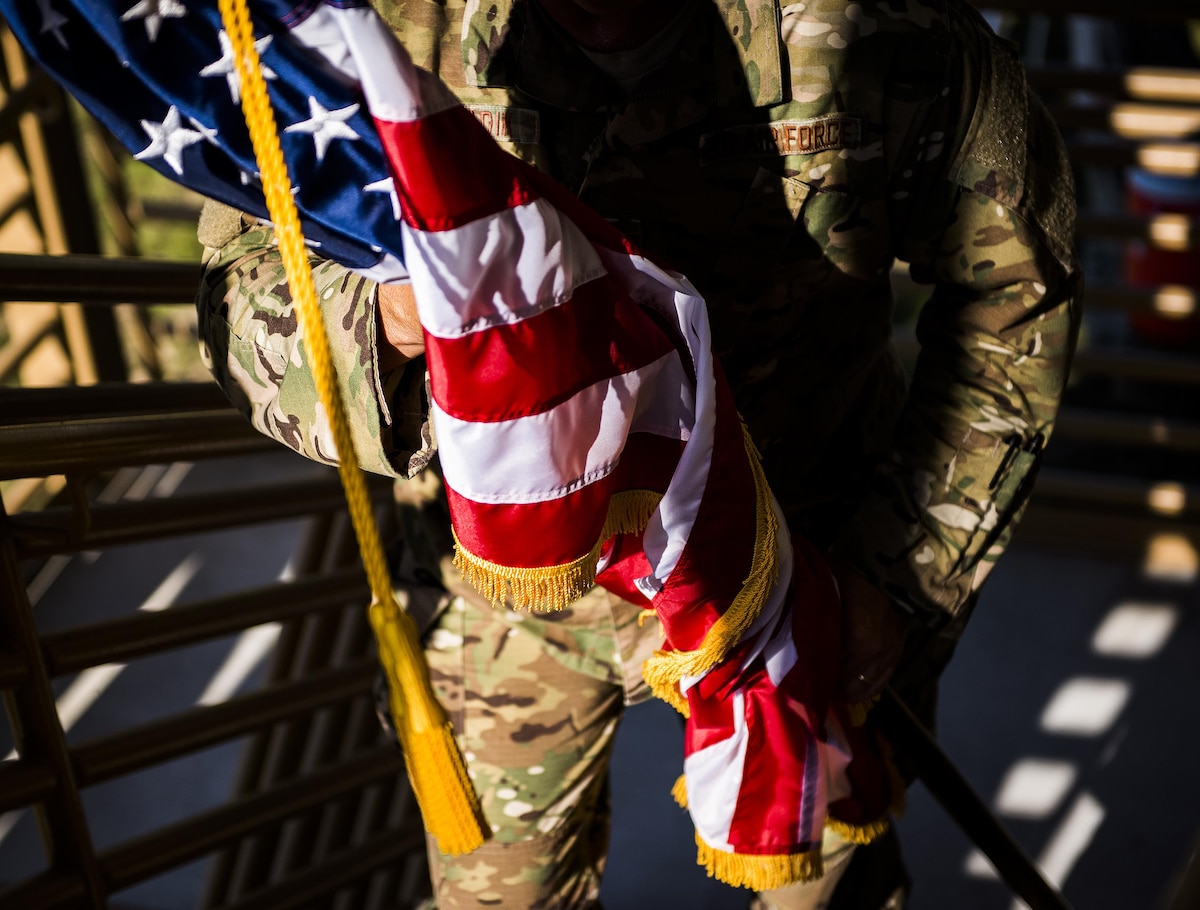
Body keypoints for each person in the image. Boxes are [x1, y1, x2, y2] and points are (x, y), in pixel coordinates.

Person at [195, 0, 1081, 906]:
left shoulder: (882, 26)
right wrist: (375, 323)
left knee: (826, 885)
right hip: (509, 586)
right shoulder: (366, 26)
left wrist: (903, 571)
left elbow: (1016, 298)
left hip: (810, 560)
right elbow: (246, 279)